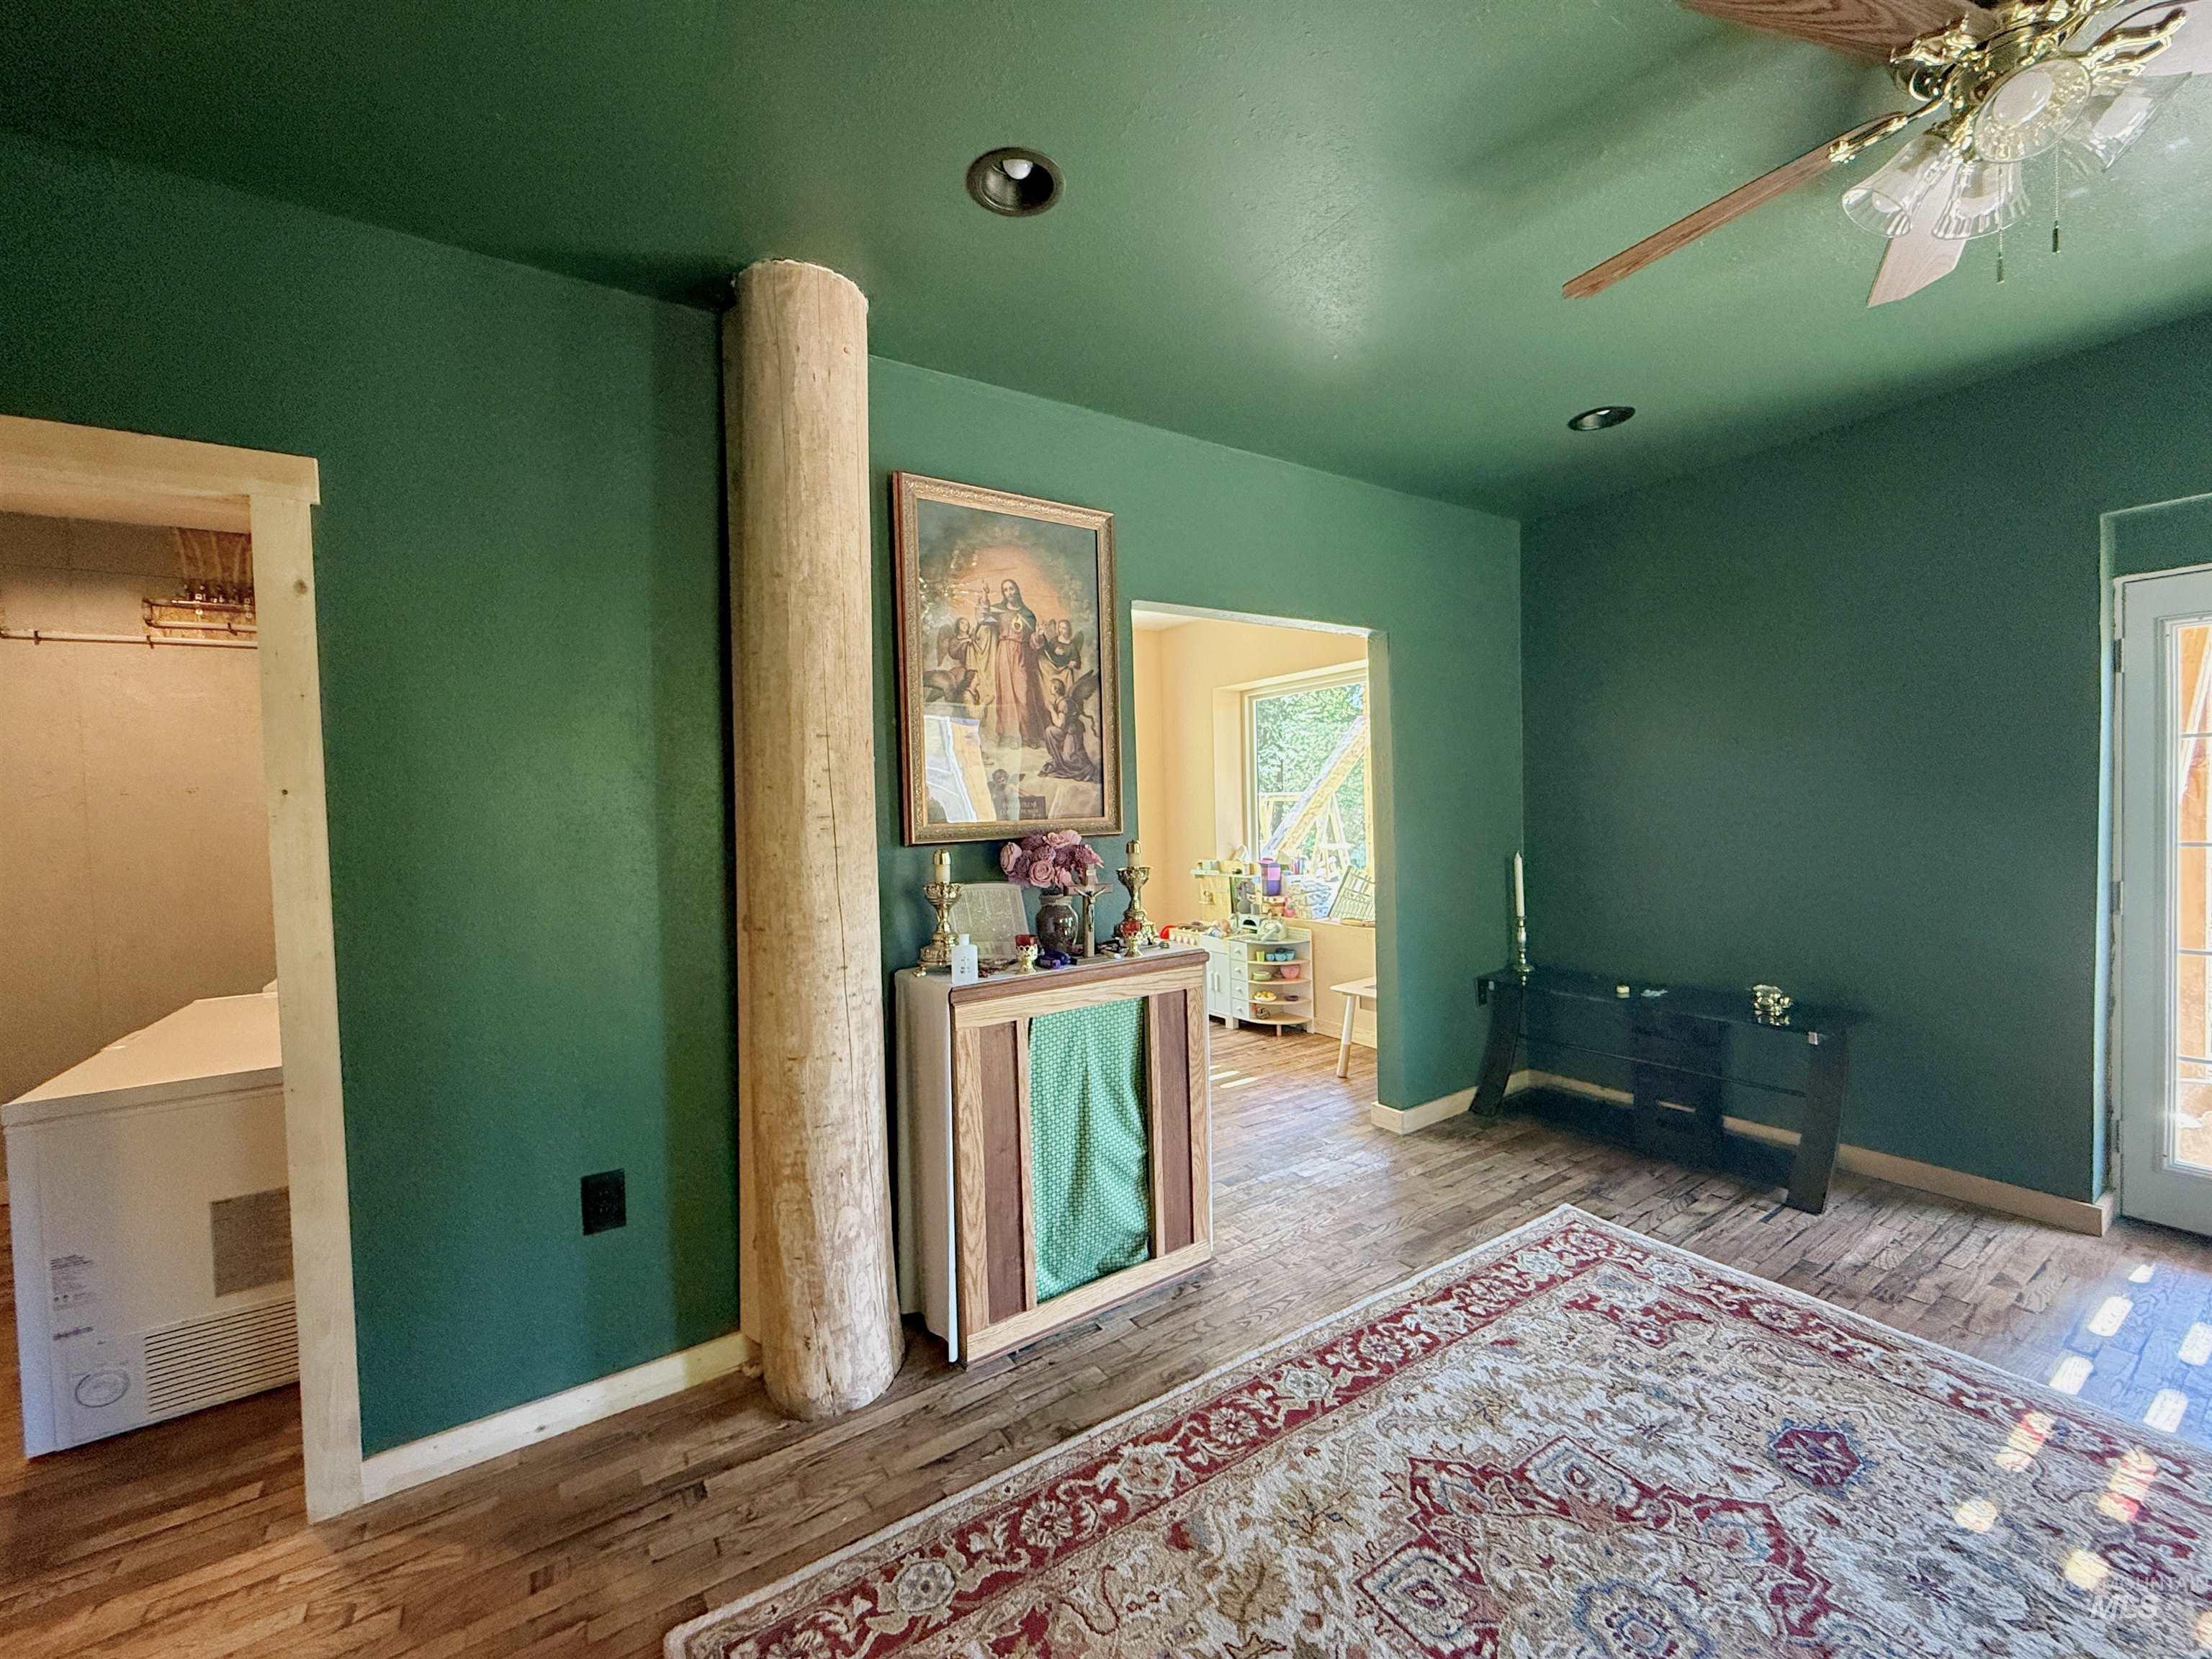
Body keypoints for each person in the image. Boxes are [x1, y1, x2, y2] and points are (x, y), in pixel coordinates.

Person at [979, 580, 1049, 750]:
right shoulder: (999, 610)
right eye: (1005, 590)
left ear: (1017, 591)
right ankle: (1009, 735)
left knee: (1023, 695)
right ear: (1003, 594)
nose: (1009, 593)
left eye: (1012, 589)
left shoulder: (1028, 614)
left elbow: (1035, 644)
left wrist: (1039, 635)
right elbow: (982, 617)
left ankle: (1028, 735)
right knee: (1006, 696)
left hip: (1022, 653)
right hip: (1004, 652)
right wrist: (985, 596)